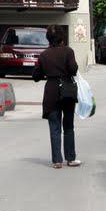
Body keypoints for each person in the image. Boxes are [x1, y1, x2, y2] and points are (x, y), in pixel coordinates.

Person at [32, 25, 80, 169]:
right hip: (67, 90)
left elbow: (36, 75)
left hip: (51, 91)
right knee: (68, 126)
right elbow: (73, 69)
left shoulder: (44, 54)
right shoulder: (68, 51)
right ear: (62, 37)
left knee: (54, 128)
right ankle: (70, 158)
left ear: (48, 38)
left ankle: (57, 160)